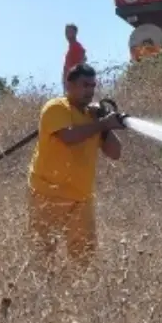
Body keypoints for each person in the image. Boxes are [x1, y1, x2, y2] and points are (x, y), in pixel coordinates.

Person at [27, 62, 124, 268]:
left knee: (84, 260)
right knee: (43, 255)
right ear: (68, 85)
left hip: (81, 198)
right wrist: (102, 124)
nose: (89, 91)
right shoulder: (56, 107)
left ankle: (77, 296)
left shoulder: (92, 117)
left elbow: (115, 153)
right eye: (84, 85)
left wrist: (105, 124)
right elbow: (69, 137)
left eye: (92, 86)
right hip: (48, 193)